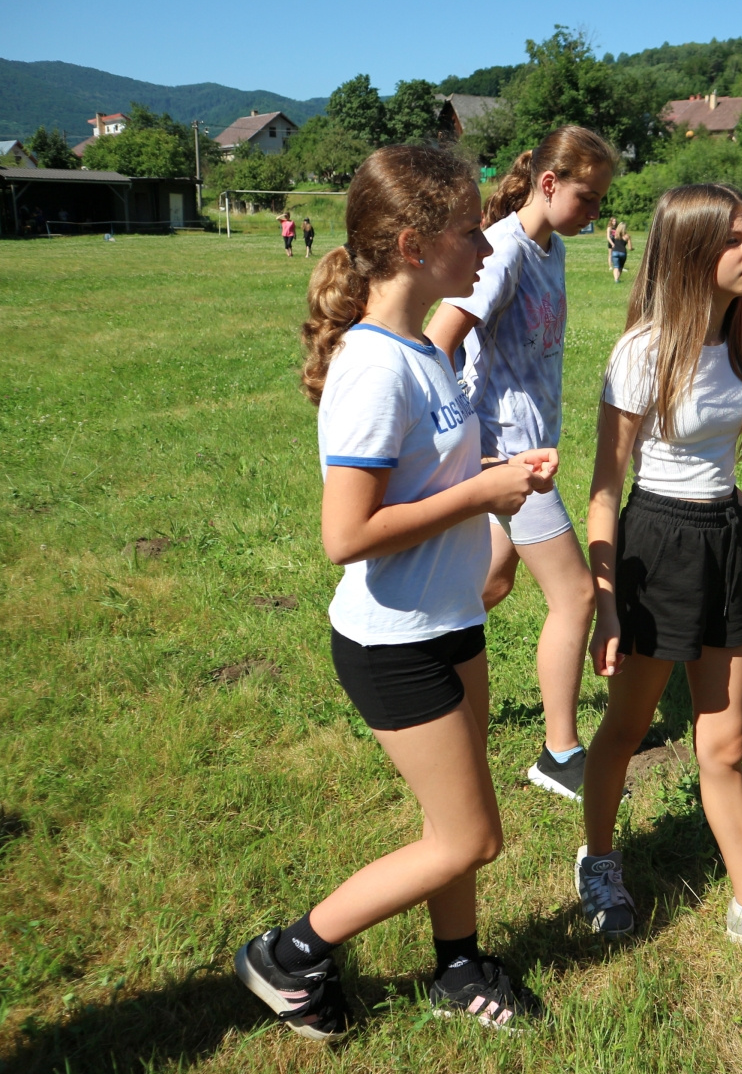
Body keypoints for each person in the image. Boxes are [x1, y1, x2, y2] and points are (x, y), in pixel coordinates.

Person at [234, 145, 558, 1038]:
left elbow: (423, 482)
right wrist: (482, 495)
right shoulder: (375, 368)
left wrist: (493, 481)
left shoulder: (420, 349)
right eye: (469, 232)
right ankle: (288, 955)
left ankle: (458, 966)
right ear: (415, 246)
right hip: (394, 643)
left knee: (454, 820)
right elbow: (347, 535)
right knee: (470, 838)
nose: (486, 247)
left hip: (448, 620)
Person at [576, 183, 742, 956]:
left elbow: (703, 462)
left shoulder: (732, 341)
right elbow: (607, 489)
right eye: (734, 240)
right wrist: (607, 604)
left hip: (722, 544)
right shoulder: (642, 352)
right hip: (656, 550)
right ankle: (599, 862)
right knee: (627, 729)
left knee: (724, 744)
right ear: (692, 254)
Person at [424, 126, 617, 802]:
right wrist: (464, 442)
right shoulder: (503, 249)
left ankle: (416, 666)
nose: (595, 212)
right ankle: (559, 755)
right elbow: (437, 342)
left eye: (601, 201)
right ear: (548, 183)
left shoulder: (550, 248)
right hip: (508, 458)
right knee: (576, 596)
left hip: (529, 449)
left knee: (492, 583)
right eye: (587, 198)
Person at [608, 218, 633, 283]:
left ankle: (616, 279)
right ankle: (617, 279)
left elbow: (609, 238)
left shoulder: (615, 235)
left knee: (616, 267)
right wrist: (632, 249)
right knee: (620, 267)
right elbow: (630, 248)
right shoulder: (627, 236)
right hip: (623, 253)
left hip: (615, 252)